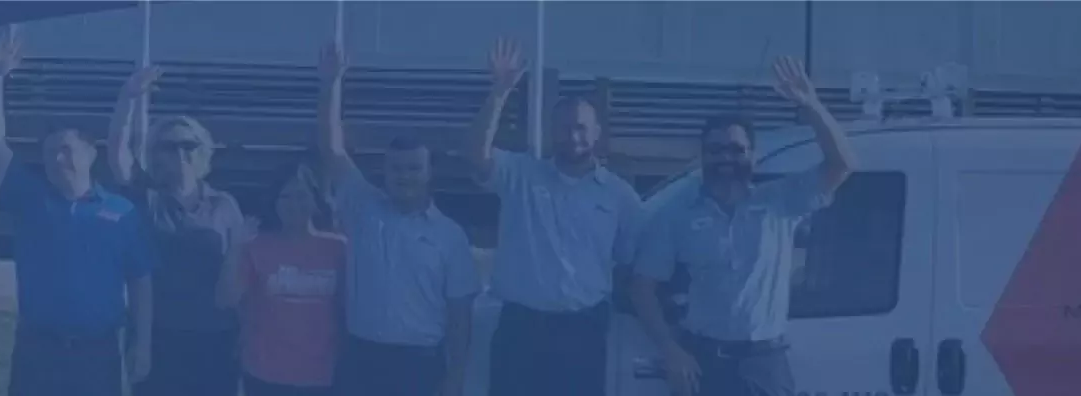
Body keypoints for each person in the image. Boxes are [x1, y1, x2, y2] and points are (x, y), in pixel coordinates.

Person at [626, 57, 858, 396]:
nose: (725, 159)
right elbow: (641, 286)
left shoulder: (780, 201)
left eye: (736, 150)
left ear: (752, 154)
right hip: (703, 362)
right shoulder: (677, 216)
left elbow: (843, 165)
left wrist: (812, 106)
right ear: (703, 156)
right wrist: (669, 348)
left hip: (765, 364)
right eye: (716, 150)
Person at [0, 25, 157, 396]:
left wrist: (144, 344)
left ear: (91, 153)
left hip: (98, 354)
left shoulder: (123, 213)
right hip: (36, 351)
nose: (58, 158)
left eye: (67, 149)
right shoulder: (28, 199)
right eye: (50, 151)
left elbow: (141, 282)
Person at [462, 40, 644, 396]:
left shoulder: (621, 197)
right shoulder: (520, 176)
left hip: (583, 332)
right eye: (563, 128)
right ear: (551, 131)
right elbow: (474, 155)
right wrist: (499, 93)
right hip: (520, 329)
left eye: (580, 127)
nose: (572, 136)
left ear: (596, 133)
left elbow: (630, 266)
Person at [312, 39, 481, 396]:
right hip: (361, 360)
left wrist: (456, 379)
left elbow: (460, 318)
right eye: (396, 168)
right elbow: (331, 149)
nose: (405, 176)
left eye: (414, 168)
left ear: (429, 172)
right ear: (384, 171)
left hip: (420, 366)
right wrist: (330, 84)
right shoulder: (362, 205)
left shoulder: (450, 236)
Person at [96, 49, 253, 396]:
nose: (180, 153)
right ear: (154, 155)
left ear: (204, 154)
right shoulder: (146, 198)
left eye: (189, 145)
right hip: (158, 338)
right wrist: (127, 99)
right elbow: (118, 155)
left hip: (216, 340)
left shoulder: (225, 205)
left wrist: (247, 332)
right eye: (169, 146)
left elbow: (240, 273)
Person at [237, 165, 349, 396]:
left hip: (322, 374)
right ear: (274, 202)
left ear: (315, 200)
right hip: (264, 373)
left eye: (301, 195)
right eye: (285, 196)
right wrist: (236, 246)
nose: (293, 203)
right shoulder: (256, 246)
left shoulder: (339, 248)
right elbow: (228, 299)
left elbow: (347, 307)